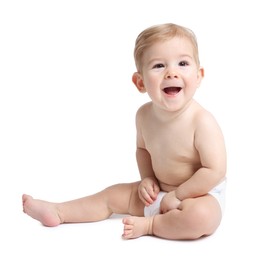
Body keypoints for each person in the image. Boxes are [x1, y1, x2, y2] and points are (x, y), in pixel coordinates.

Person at [22, 23, 227, 240]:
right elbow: (143, 151)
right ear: (140, 82)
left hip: (199, 194)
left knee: (202, 217)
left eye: (183, 63)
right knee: (112, 195)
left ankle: (151, 225)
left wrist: (179, 194)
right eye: (158, 66)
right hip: (160, 191)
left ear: (198, 76)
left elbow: (214, 170)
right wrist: (148, 179)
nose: (171, 73)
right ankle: (60, 211)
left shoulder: (202, 121)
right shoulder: (144, 115)